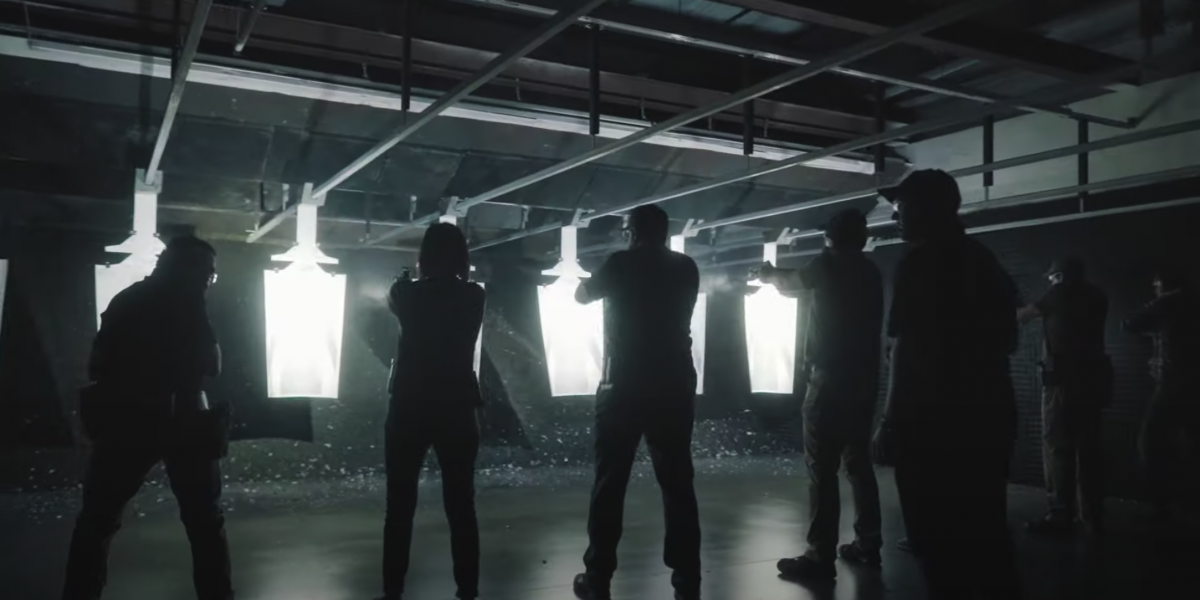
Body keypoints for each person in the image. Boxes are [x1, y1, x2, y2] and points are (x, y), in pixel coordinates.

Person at [871, 170, 1022, 600]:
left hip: (932, 422)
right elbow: (1009, 339)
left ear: (926, 209)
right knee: (985, 535)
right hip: (989, 414)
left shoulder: (919, 264)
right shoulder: (982, 259)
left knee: (935, 539)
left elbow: (905, 348)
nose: (895, 215)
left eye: (901, 206)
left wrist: (889, 422)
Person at [62, 235, 231, 600]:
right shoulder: (189, 301)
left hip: (125, 423)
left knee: (97, 522)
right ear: (190, 269)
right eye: (208, 272)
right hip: (184, 421)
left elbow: (97, 365)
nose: (209, 280)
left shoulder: (127, 299)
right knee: (205, 523)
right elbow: (212, 365)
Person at [572, 205, 702, 600]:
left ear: (631, 232)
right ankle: (687, 578)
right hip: (674, 383)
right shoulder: (686, 267)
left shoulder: (620, 263)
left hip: (624, 385)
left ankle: (598, 577)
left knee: (610, 482)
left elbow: (581, 295)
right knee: (678, 482)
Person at [757, 209, 885, 582]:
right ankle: (868, 543)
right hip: (864, 381)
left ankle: (819, 556)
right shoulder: (870, 271)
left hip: (829, 381)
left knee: (821, 470)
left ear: (830, 238)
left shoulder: (827, 264)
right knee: (859, 465)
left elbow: (793, 282)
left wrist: (768, 274)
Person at [379, 222, 486, 600]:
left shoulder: (406, 293)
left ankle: (393, 591)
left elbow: (396, 297)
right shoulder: (474, 295)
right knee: (461, 505)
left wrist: (406, 277)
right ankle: (468, 590)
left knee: (399, 506)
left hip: (410, 405)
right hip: (457, 406)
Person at [1017, 257, 1111, 535]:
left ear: (1059, 276)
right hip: (1094, 381)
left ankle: (1060, 515)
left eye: (1051, 278)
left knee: (1058, 447)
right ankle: (1092, 516)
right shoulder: (1097, 295)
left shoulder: (1059, 293)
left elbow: (1024, 316)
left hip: (1062, 383)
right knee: (1089, 448)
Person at [1124, 264, 1200, 522]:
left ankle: (1161, 506)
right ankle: (1190, 503)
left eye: (1156, 284)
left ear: (1164, 284)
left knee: (1150, 443)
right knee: (1192, 442)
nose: (1154, 288)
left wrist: (1155, 325)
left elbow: (1130, 323)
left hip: (1173, 383)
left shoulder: (1167, 302)